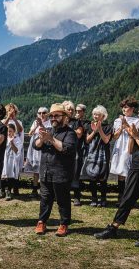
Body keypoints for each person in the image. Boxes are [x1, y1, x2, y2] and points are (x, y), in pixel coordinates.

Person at [95, 102, 139, 247]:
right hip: (135, 167)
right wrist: (131, 135)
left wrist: (136, 136)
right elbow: (130, 150)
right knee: (127, 198)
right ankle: (114, 227)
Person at [33, 103, 77, 237]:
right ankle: (42, 222)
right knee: (45, 199)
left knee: (62, 200)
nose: (53, 118)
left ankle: (63, 224)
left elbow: (66, 149)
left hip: (61, 172)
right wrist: (41, 140)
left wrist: (50, 139)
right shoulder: (49, 130)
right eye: (51, 116)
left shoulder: (70, 133)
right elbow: (36, 146)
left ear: (65, 117)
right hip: (46, 171)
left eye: (56, 116)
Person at [80, 105, 112, 207]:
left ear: (103, 116)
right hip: (92, 155)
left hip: (103, 155)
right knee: (92, 177)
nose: (95, 116)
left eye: (98, 115)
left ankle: (103, 199)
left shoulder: (108, 126)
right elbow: (87, 140)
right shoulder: (89, 126)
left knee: (103, 178)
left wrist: (100, 129)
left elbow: (106, 140)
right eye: (94, 114)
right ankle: (94, 198)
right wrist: (94, 131)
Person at [110, 97, 139, 206]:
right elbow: (115, 136)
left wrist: (126, 125)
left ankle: (131, 198)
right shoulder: (117, 120)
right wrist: (121, 127)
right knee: (121, 172)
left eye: (126, 107)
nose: (124, 109)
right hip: (120, 146)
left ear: (132, 109)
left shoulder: (137, 121)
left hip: (131, 146)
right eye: (123, 107)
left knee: (131, 173)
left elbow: (134, 135)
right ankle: (121, 197)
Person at [25, 107, 51, 199]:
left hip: (44, 147)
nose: (41, 114)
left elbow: (49, 134)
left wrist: (41, 125)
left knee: (44, 168)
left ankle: (44, 189)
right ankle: (34, 189)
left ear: (47, 114)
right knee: (36, 170)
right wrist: (37, 125)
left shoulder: (50, 122)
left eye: (44, 112)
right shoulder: (35, 122)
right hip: (35, 147)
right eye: (39, 113)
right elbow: (30, 133)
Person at [62, 101, 84, 206]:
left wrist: (67, 129)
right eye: (68, 109)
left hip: (75, 151)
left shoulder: (77, 122)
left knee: (75, 174)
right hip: (62, 151)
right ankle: (62, 196)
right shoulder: (60, 120)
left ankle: (76, 196)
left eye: (72, 109)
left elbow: (79, 134)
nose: (70, 111)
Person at [2, 103, 24, 195]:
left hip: (16, 145)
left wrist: (14, 118)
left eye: (13, 111)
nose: (11, 113)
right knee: (4, 167)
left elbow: (20, 130)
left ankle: (14, 187)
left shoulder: (18, 121)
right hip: (4, 147)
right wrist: (8, 117)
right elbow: (1, 127)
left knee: (14, 166)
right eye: (9, 111)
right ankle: (2, 189)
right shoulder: (3, 120)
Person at [0, 123, 23, 201]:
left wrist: (11, 142)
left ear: (14, 131)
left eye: (10, 131)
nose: (8, 133)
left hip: (12, 159)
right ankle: (2, 190)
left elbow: (17, 150)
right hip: (3, 158)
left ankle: (9, 191)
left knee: (10, 174)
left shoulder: (17, 139)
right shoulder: (3, 138)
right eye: (7, 131)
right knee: (2, 174)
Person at [73, 104, 89, 205]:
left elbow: (81, 134)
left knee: (77, 173)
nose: (77, 113)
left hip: (81, 148)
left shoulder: (86, 123)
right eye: (76, 111)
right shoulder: (71, 121)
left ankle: (76, 195)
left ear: (83, 112)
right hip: (71, 149)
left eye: (80, 111)